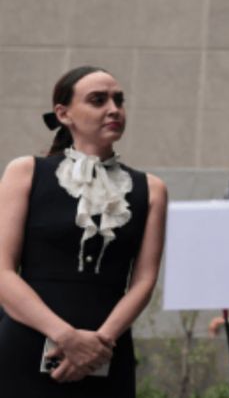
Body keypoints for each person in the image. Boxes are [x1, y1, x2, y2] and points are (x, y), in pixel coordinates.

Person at [0, 66, 168, 397]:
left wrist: (99, 344)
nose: (114, 109)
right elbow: (2, 271)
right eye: (98, 100)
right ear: (64, 114)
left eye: (119, 100)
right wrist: (67, 338)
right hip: (27, 342)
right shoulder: (26, 172)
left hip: (107, 348)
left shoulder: (151, 189)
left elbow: (144, 281)